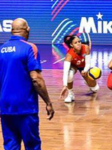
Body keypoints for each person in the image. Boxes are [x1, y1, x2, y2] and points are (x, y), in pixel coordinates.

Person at [0, 18, 54, 150]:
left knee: (11, 146)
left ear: (12, 31)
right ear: (27, 30)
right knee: (32, 146)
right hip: (26, 107)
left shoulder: (1, 49)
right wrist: (48, 102)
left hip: (5, 108)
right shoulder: (30, 48)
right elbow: (36, 79)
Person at [60, 35, 99, 103]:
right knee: (70, 74)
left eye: (79, 41)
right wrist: (64, 85)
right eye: (75, 43)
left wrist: (85, 70)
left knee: (96, 89)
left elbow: (88, 64)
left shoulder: (86, 48)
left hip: (84, 66)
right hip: (74, 65)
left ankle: (88, 83)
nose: (78, 43)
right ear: (71, 45)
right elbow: (65, 72)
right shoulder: (69, 55)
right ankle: (70, 94)